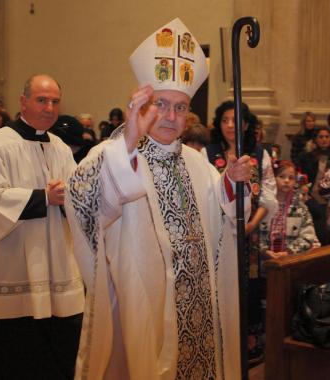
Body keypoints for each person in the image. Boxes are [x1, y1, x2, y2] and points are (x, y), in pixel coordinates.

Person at [66, 18, 252, 379]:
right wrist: (129, 142)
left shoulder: (196, 162)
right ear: (143, 107)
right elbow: (84, 202)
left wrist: (229, 182)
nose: (171, 116)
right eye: (161, 105)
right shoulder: (114, 152)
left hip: (199, 305)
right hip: (144, 301)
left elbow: (218, 217)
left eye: (180, 107)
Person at [0, 74, 85, 379]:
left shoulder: (59, 146)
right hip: (10, 263)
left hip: (55, 263)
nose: (49, 107)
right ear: (23, 102)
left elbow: (78, 193)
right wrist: (45, 196)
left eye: (55, 101)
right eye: (41, 100)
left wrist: (73, 194)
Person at [207, 99, 278, 362]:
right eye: (224, 120)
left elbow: (269, 195)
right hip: (220, 232)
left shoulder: (260, 154)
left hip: (251, 232)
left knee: (249, 286)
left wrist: (251, 224)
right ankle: (221, 340)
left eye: (235, 120)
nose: (229, 126)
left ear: (246, 124)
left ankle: (249, 343)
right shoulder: (208, 152)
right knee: (221, 285)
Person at [259, 160, 319, 260]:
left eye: (291, 178)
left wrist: (290, 251)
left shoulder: (300, 207)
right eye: (282, 176)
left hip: (291, 261)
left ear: (295, 181)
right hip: (264, 262)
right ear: (273, 178)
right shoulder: (264, 204)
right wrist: (264, 250)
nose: (286, 180)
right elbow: (256, 233)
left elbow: (308, 236)